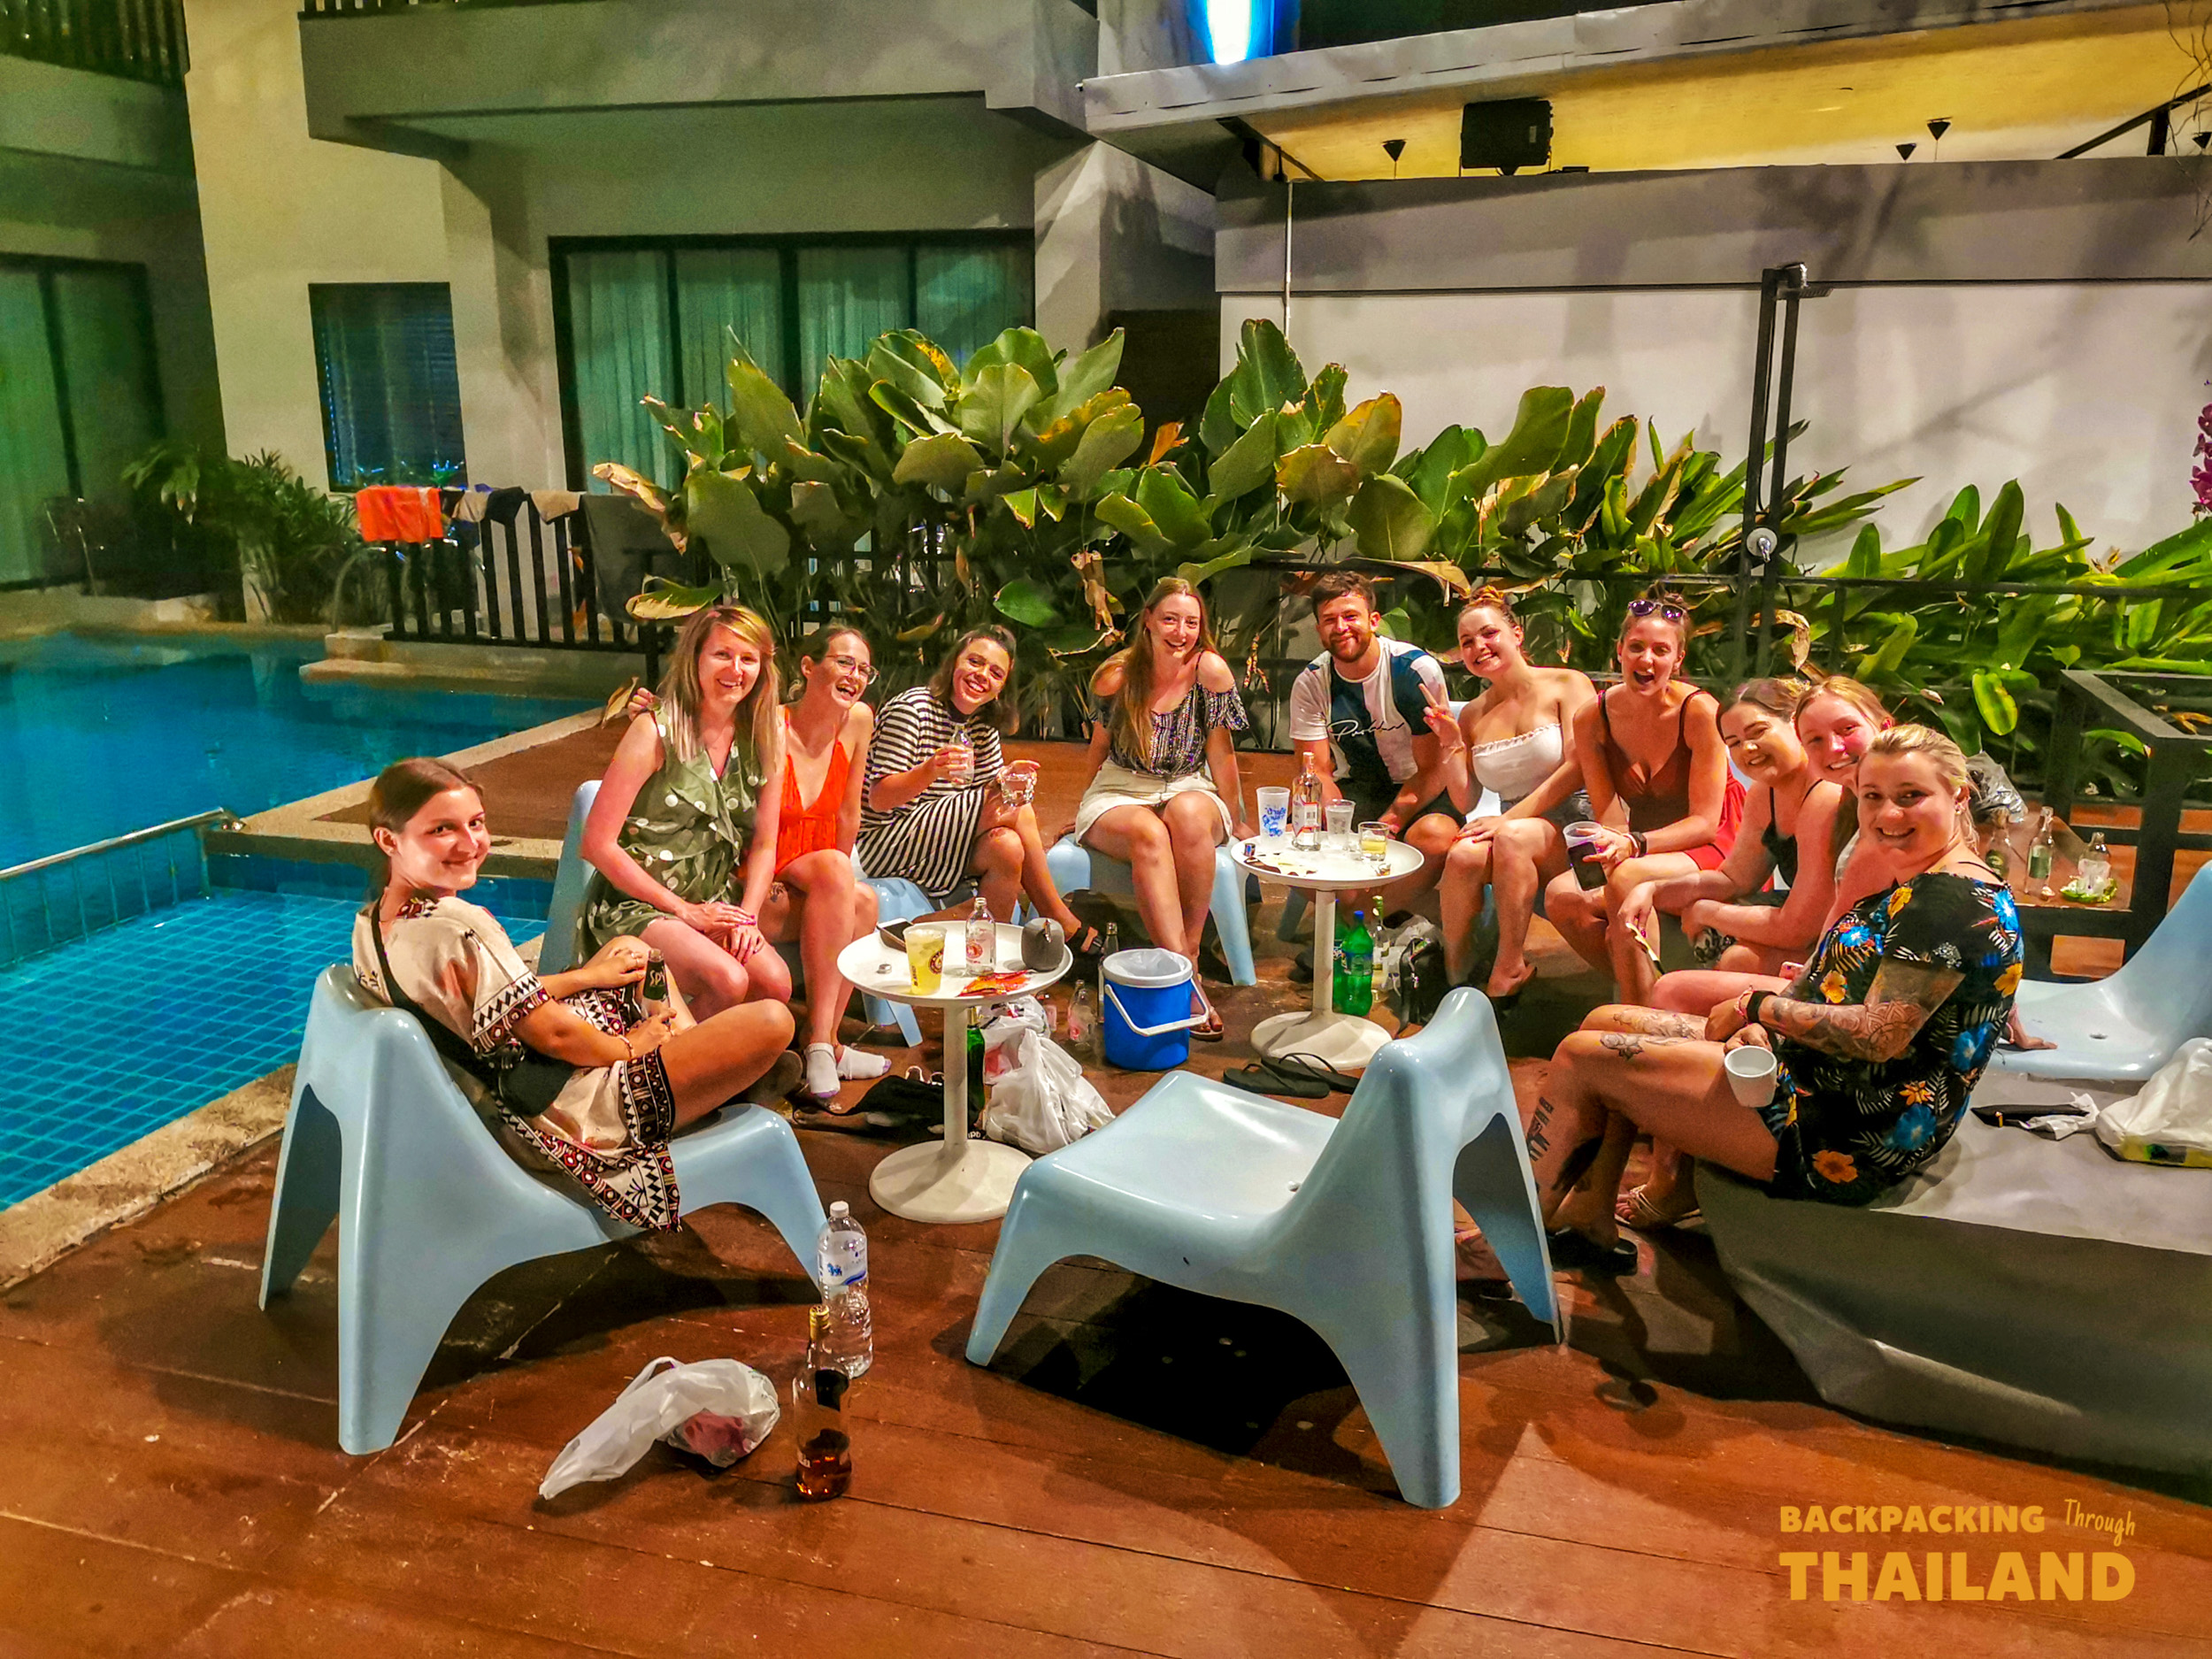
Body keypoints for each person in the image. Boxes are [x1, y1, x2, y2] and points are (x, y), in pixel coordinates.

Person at [1525, 726, 2022, 1274]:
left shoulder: (1945, 902)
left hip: (1843, 1131)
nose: (1887, 814)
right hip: (1827, 1079)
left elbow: (1880, 1034)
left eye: (1911, 796)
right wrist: (1776, 1017)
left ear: (1958, 795)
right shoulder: (1936, 880)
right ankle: (1588, 1213)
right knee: (1605, 1018)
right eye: (1873, 797)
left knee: (1581, 1057)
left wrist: (1756, 1009)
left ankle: (1508, 1243)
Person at [354, 758, 798, 1232]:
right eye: (442, 829)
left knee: (632, 953)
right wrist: (630, 1046)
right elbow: (556, 1036)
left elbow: (491, 997)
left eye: (476, 823)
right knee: (773, 1020)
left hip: (506, 1083)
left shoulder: (376, 920)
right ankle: (706, 1089)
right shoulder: (459, 926)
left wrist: (587, 977)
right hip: (552, 1117)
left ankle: (700, 1072)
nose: (470, 844)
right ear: (389, 839)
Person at [1606, 679, 1844, 1230]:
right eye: (1733, 742)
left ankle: (1678, 1158)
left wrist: (1709, 913)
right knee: (1731, 966)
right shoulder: (1767, 791)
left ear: (1796, 726)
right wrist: (1653, 891)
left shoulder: (1824, 796)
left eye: (1758, 732)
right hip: (1810, 941)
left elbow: (1799, 924)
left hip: (1830, 950)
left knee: (1705, 979)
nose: (1746, 750)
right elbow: (1737, 875)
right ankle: (1685, 1150)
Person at [580, 604, 792, 1028]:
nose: (736, 669)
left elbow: (766, 842)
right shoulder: (654, 730)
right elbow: (596, 844)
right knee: (728, 980)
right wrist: (683, 911)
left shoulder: (767, 735)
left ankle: (716, 1078)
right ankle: (665, 1078)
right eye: (722, 655)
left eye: (748, 659)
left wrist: (748, 919)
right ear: (695, 656)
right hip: (637, 905)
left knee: (775, 984)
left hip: (714, 902)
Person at [1070, 578, 1253, 1039]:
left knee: (1187, 816)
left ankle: (1184, 955)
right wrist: (1078, 809)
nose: (1181, 631)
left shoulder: (1209, 671)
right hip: (1121, 786)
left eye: (1192, 622)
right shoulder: (1116, 676)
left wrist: (1239, 816)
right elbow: (1099, 748)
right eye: (1170, 619)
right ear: (1148, 619)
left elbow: (1222, 753)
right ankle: (1188, 982)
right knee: (1149, 833)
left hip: (1189, 781)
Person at [1544, 591, 1743, 996]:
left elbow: (1706, 823)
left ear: (1678, 659)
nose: (1646, 660)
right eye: (1636, 647)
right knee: (1561, 895)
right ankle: (1648, 991)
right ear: (1619, 651)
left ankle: (1639, 1014)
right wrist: (1617, 844)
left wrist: (1632, 847)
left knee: (1628, 876)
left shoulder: (1699, 711)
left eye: (1660, 650)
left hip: (1715, 839)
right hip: (1643, 844)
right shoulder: (1593, 717)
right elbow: (1609, 816)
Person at [856, 626, 1098, 949]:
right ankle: (1057, 916)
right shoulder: (912, 709)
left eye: (995, 672)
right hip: (887, 841)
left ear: (1000, 688)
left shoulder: (984, 725)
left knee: (1007, 846)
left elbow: (986, 795)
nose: (982, 675)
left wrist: (1009, 779)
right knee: (1014, 807)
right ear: (955, 662)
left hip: (942, 844)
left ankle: (952, 947)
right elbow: (879, 799)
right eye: (975, 662)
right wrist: (930, 770)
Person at [1420, 588, 1598, 1002]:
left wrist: (1509, 819)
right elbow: (1465, 802)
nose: (1478, 647)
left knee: (1512, 838)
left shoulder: (1567, 684)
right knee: (1463, 855)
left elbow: (1580, 768)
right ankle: (1456, 978)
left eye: (1488, 634)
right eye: (1467, 642)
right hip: (1514, 833)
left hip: (1576, 829)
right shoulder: (1475, 714)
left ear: (1516, 634)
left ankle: (1509, 967)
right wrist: (1450, 743)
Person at [764, 625, 893, 1103]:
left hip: (818, 868)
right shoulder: (773, 725)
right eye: (843, 662)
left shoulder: (859, 720)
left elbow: (848, 812)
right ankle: (819, 1043)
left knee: (862, 901)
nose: (854, 676)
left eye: (863, 669)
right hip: (768, 868)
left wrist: (836, 886)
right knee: (841, 878)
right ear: (808, 666)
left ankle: (830, 1043)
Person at [1286, 572, 1459, 920]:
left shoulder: (1412, 671)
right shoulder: (1310, 682)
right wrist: (1338, 829)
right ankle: (1379, 922)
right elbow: (1316, 771)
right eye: (1329, 620)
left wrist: (1389, 824)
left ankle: (1354, 928)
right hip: (1358, 787)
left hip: (1420, 788)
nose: (1341, 627)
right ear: (1318, 630)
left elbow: (1434, 769)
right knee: (1294, 838)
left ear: (1374, 621)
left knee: (1436, 838)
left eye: (1351, 616)